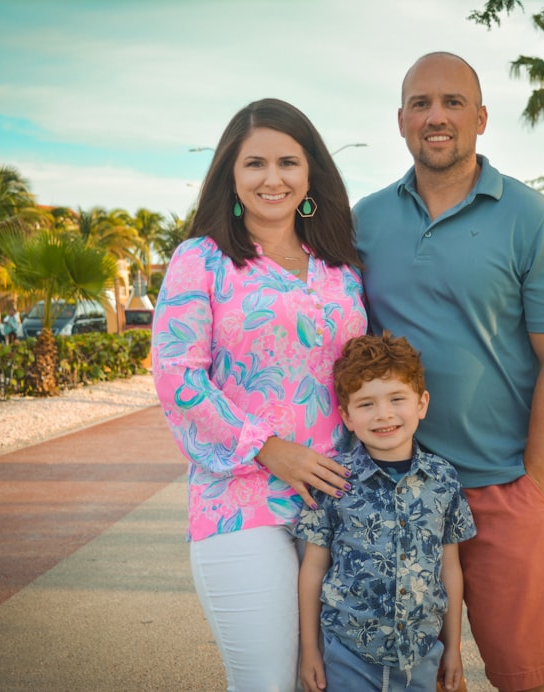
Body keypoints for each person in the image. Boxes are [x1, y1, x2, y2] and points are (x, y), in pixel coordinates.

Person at [353, 52, 544, 692]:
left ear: (481, 117)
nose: (437, 116)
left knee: (525, 676)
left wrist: (533, 485)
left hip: (499, 490)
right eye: (421, 104)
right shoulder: (363, 222)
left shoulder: (532, 218)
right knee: (406, 677)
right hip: (392, 492)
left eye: (453, 103)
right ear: (401, 120)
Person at [150, 98, 367, 691]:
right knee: (268, 684)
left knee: (331, 682)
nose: (273, 179)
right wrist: (271, 449)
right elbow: (177, 377)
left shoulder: (341, 267)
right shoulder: (201, 260)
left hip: (338, 503)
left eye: (288, 162)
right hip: (241, 503)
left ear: (310, 173)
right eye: (255, 164)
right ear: (232, 176)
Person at [295, 332, 475, 692]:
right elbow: (313, 568)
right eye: (366, 405)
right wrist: (309, 650)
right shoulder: (333, 479)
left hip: (421, 655)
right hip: (348, 653)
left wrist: (453, 648)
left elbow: (450, 568)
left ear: (422, 404)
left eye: (397, 399)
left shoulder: (443, 480)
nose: (384, 415)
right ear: (346, 415)